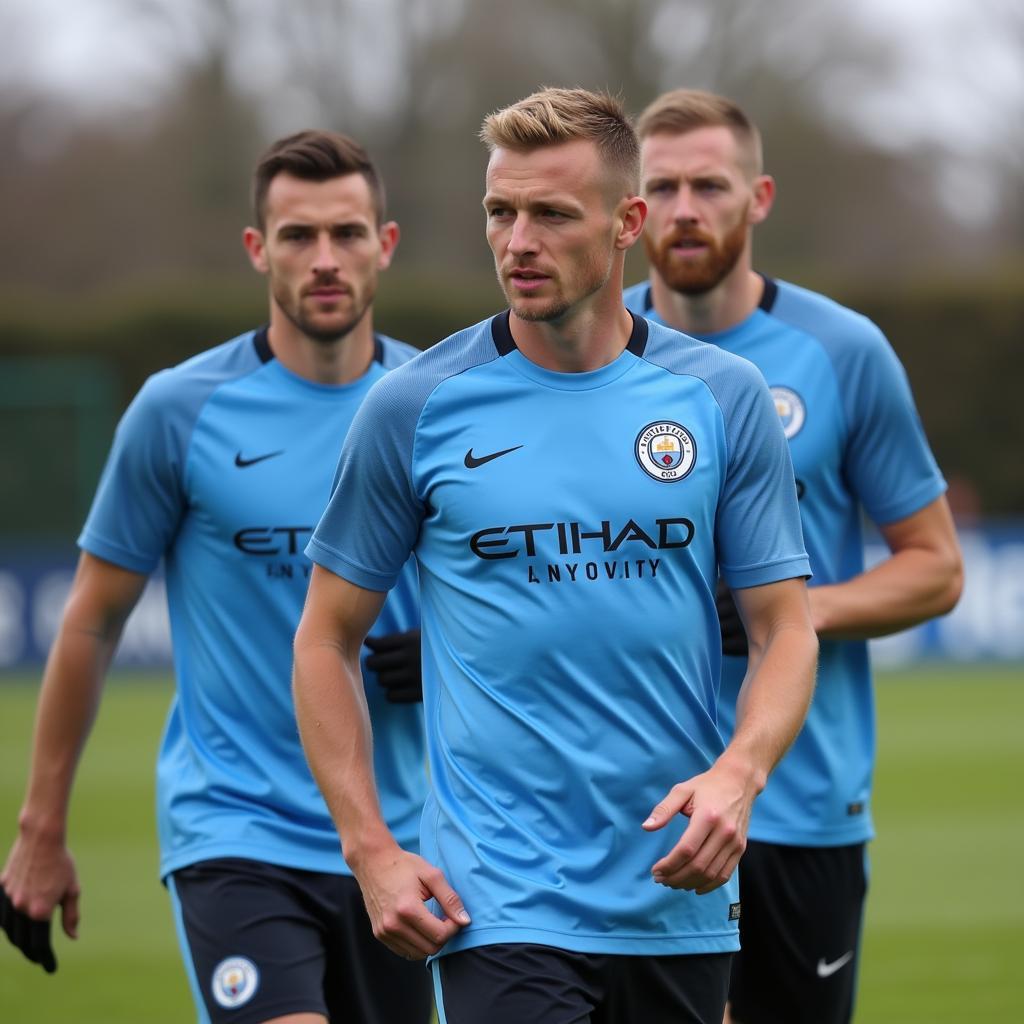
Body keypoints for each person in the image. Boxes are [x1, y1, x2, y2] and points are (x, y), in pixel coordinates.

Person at [292, 87, 819, 1024]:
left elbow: (786, 629)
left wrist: (738, 774)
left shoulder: (723, 398)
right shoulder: (413, 407)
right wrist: (369, 848)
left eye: (550, 214)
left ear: (627, 223)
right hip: (498, 897)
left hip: (676, 890)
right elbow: (324, 641)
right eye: (501, 211)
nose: (517, 240)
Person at [0, 130, 434, 1024]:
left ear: (385, 245)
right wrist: (40, 828)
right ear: (256, 249)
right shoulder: (177, 411)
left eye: (348, 233)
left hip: (405, 839)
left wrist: (452, 656)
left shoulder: (441, 406)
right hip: (237, 827)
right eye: (297, 235)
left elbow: (518, 596)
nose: (324, 259)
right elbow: (90, 619)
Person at [623, 89, 964, 1024]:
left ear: (759, 197)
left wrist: (796, 614)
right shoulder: (588, 351)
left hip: (801, 803)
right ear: (631, 207)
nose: (686, 208)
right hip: (636, 799)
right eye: (663, 187)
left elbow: (935, 565)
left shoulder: (843, 351)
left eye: (710, 185)